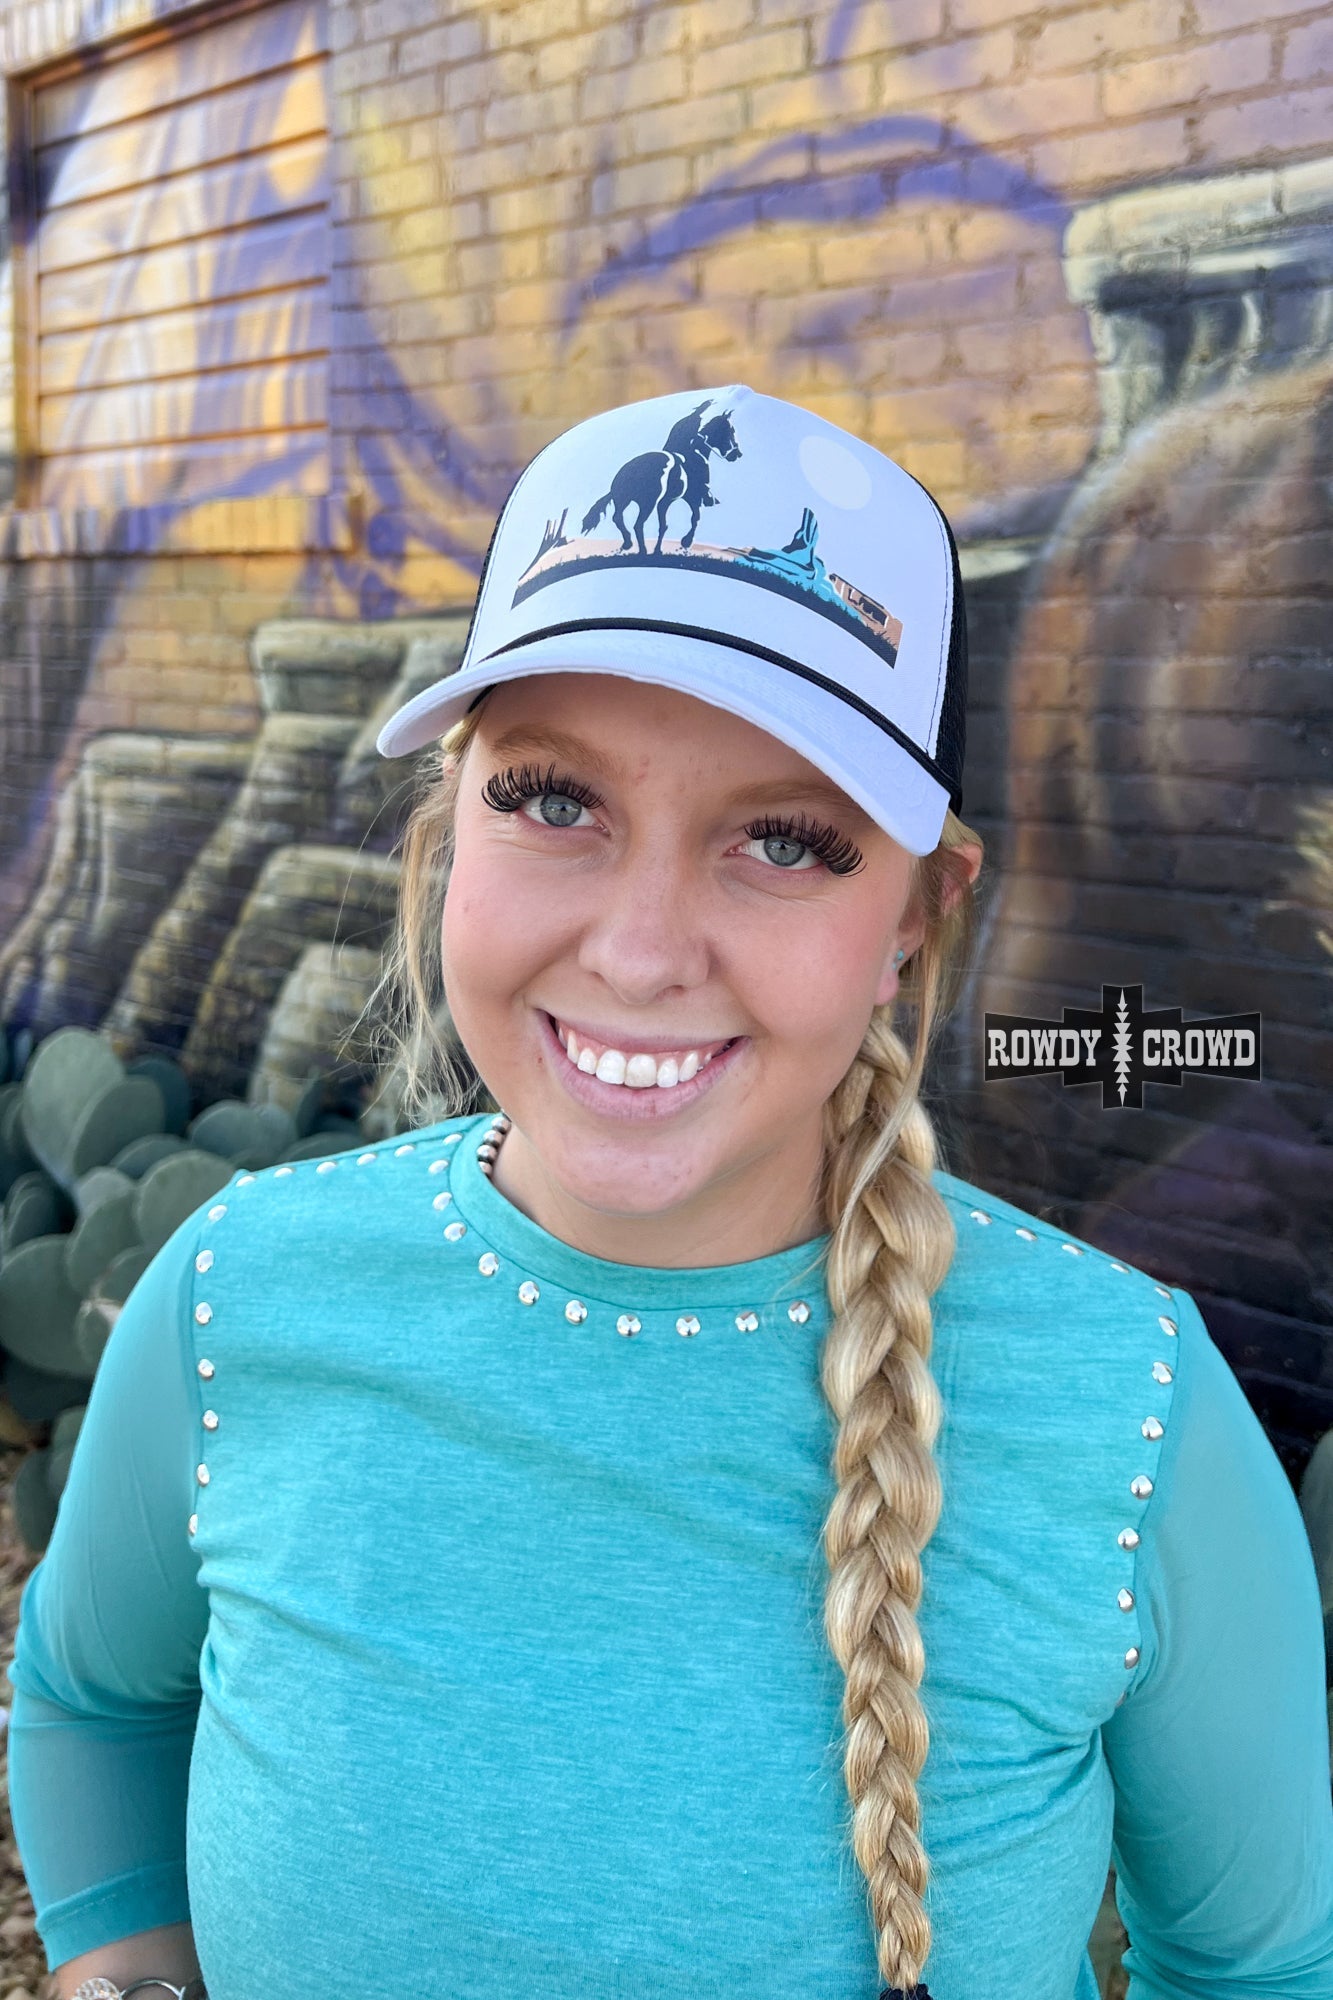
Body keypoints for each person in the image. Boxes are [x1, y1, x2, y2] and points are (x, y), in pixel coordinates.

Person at [7, 385, 1333, 2000]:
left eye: (783, 839)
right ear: (451, 831)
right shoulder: (236, 1303)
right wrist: (122, 1969)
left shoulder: (1131, 1415)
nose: (637, 953)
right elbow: (90, 1697)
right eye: (553, 801)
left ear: (919, 911)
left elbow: (1263, 1963)